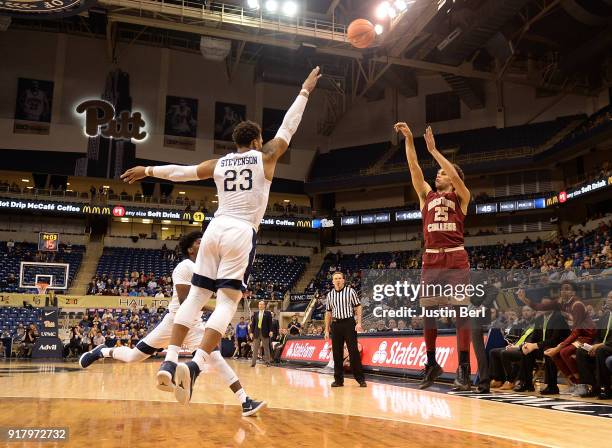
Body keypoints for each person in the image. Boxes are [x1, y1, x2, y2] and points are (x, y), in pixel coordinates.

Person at [121, 67, 320, 405]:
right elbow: (288, 126)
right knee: (227, 302)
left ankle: (170, 363)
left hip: (214, 227)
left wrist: (148, 170)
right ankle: (195, 367)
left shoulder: (219, 163)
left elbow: (181, 173)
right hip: (242, 230)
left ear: (235, 143)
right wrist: (304, 91)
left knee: (196, 298)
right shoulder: (266, 156)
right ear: (256, 141)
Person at [79, 232, 264, 416]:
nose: (204, 243)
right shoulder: (185, 266)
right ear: (191, 249)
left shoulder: (208, 270)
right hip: (174, 321)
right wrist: (214, 310)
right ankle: (102, 351)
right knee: (133, 357)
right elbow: (185, 301)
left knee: (217, 359)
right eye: (200, 242)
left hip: (194, 325)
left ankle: (245, 401)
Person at [394, 122, 471, 391]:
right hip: (431, 259)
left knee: (461, 311)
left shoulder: (462, 196)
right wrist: (409, 141)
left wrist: (435, 151)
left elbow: (456, 177)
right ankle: (431, 363)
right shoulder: (426, 196)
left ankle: (463, 368)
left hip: (455, 257)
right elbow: (414, 168)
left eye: (441, 173)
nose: (437, 176)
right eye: (437, 173)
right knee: (428, 313)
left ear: (451, 177)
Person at [324, 271, 367, 388]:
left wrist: (359, 322)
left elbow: (358, 306)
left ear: (343, 280)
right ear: (332, 281)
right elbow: (328, 313)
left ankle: (360, 379)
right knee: (337, 353)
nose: (337, 280)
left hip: (348, 323)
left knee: (353, 351)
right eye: (335, 278)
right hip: (336, 324)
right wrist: (326, 330)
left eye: (339, 278)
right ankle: (338, 380)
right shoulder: (330, 295)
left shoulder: (350, 291)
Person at [249, 301, 273, 367]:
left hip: (265, 332)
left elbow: (270, 323)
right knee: (255, 348)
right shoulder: (255, 313)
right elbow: (253, 324)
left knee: (266, 348)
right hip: (256, 332)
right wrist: (251, 332)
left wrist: (271, 331)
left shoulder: (268, 313)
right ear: (258, 305)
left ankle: (268, 362)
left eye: (262, 304)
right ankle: (253, 363)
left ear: (264, 305)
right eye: (260, 304)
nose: (261, 305)